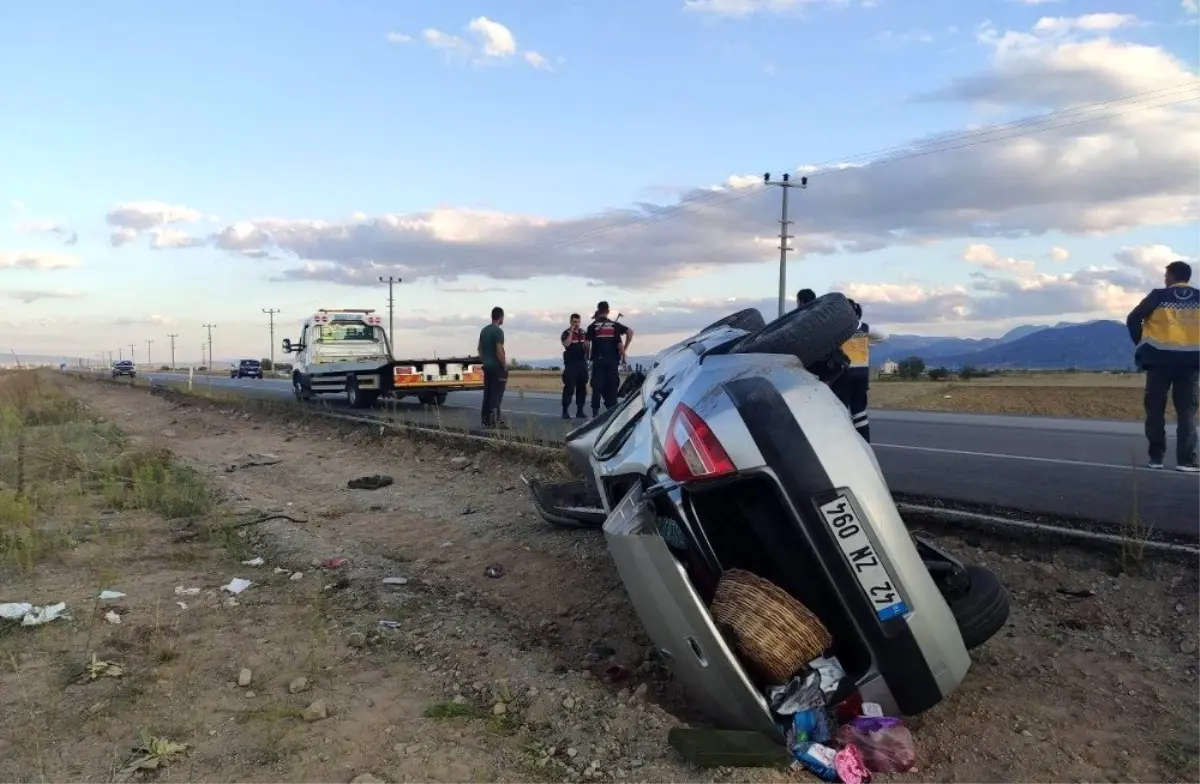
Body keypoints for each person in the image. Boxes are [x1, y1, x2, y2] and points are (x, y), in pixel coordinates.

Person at [1125, 260, 1200, 472]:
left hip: (1159, 361)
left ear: (1173, 276)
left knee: (1155, 411)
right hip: (1191, 363)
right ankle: (1186, 461)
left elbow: (1133, 318)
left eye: (1166, 275)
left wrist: (1143, 342)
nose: (1165, 279)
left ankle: (1156, 458)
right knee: (1187, 412)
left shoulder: (1158, 296)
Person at [832, 299, 887, 443]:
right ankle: (865, 443)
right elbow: (884, 336)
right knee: (859, 412)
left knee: (841, 410)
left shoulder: (837, 329)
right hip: (862, 374)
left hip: (844, 373)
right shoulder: (864, 328)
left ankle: (842, 443)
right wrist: (869, 343)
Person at [586, 301, 633, 417]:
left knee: (596, 387)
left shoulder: (592, 326)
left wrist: (588, 355)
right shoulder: (614, 326)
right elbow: (629, 333)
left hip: (598, 360)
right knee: (612, 386)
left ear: (598, 310)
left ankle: (595, 414)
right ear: (608, 311)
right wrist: (624, 351)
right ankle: (612, 414)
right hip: (612, 361)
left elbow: (586, 344)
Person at [477, 306, 508, 429]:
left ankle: (485, 418)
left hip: (487, 366)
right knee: (496, 394)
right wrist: (504, 365)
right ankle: (494, 420)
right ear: (500, 317)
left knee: (488, 393)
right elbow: (499, 350)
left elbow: (479, 348)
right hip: (496, 367)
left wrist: (484, 360)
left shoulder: (484, 330)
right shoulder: (498, 331)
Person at [560, 313, 589, 419]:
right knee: (569, 388)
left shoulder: (583, 333)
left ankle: (580, 411)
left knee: (582, 388)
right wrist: (571, 331)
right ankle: (565, 411)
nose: (577, 324)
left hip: (582, 363)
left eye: (578, 322)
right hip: (571, 365)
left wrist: (587, 347)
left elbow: (587, 348)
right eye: (574, 322)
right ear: (571, 322)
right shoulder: (566, 333)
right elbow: (566, 344)